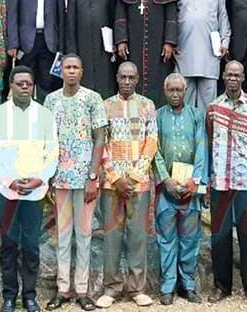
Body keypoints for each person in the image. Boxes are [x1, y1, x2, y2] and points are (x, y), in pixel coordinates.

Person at [0, 66, 58, 312]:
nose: (25, 87)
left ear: (34, 86)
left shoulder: (45, 115)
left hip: (35, 193)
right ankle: (9, 296)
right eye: (19, 83)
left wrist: (40, 179)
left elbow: (52, 153)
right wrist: (9, 181)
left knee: (30, 245)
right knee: (8, 244)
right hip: (8, 192)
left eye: (28, 83)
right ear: (11, 86)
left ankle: (30, 296)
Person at [43, 55, 107, 311]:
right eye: (67, 67)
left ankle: (82, 290)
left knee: (84, 234)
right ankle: (62, 289)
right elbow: (47, 139)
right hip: (60, 178)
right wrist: (48, 174)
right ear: (61, 71)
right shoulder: (51, 100)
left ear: (81, 72)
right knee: (62, 234)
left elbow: (100, 137)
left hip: (85, 179)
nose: (71, 72)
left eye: (75, 68)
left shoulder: (92, 99)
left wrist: (93, 177)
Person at [205, 60, 247, 306]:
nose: (233, 78)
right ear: (223, 77)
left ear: (243, 78)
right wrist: (207, 183)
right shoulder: (213, 108)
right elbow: (209, 144)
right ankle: (222, 286)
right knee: (219, 237)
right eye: (229, 74)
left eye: (237, 75)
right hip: (220, 183)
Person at [96, 62, 157, 309]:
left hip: (138, 184)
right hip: (112, 184)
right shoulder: (105, 106)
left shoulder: (147, 105)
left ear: (138, 79)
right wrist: (115, 178)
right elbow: (100, 143)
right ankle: (111, 288)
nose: (127, 81)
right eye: (123, 77)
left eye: (132, 77)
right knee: (111, 236)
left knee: (137, 237)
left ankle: (137, 288)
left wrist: (133, 177)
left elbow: (151, 141)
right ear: (117, 78)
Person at [152, 73, 206, 305]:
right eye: (171, 90)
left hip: (190, 189)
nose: (175, 94)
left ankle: (189, 285)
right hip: (167, 190)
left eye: (179, 90)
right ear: (165, 92)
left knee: (190, 239)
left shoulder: (196, 115)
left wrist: (195, 180)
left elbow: (202, 147)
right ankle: (167, 286)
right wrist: (166, 180)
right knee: (166, 239)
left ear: (185, 91)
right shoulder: (157, 116)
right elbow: (154, 151)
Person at [113, 0, 180, 106]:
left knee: (157, 78)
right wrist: (121, 40)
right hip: (134, 40)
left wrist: (169, 42)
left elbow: (171, 15)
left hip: (158, 42)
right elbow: (120, 14)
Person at [7, 0, 65, 100]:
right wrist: (12, 43)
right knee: (25, 82)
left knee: (48, 82)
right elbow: (12, 14)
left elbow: (60, 17)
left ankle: (46, 115)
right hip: (25, 42)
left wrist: (61, 45)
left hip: (49, 41)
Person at [176, 0, 230, 110]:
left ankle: (206, 134)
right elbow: (171, 19)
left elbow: (223, 18)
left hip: (210, 54)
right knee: (184, 101)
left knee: (208, 105)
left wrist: (225, 42)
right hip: (184, 53)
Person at [65, 0, 118, 99]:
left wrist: (115, 44)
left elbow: (115, 19)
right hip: (82, 46)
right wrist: (71, 51)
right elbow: (70, 23)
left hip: (104, 47)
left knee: (105, 82)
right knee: (84, 82)